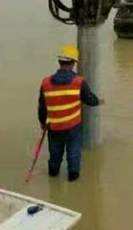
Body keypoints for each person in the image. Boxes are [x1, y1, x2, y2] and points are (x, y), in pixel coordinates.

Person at [38, 45, 102, 182]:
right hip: (73, 126)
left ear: (59, 62)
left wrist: (43, 123)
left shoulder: (46, 83)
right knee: (73, 153)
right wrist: (100, 101)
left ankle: (53, 177)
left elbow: (42, 107)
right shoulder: (79, 82)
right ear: (74, 63)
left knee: (55, 154)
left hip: (54, 128)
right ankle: (73, 179)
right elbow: (90, 99)